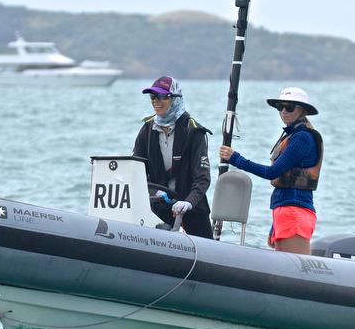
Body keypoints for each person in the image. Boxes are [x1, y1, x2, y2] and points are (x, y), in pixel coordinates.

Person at [219, 87, 323, 255]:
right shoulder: (292, 134)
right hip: (284, 209)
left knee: (295, 271)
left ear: (302, 110)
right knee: (284, 268)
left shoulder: (302, 137)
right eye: (280, 107)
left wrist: (236, 159)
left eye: (289, 107)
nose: (283, 111)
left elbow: (272, 172)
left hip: (295, 211)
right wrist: (275, 225)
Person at [132, 76, 213, 239]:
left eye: (163, 96)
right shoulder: (147, 129)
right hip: (160, 206)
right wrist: (155, 192)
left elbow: (202, 179)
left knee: (207, 248)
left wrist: (188, 202)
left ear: (175, 99)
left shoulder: (193, 131)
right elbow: (135, 171)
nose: (157, 101)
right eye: (153, 97)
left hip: (193, 206)